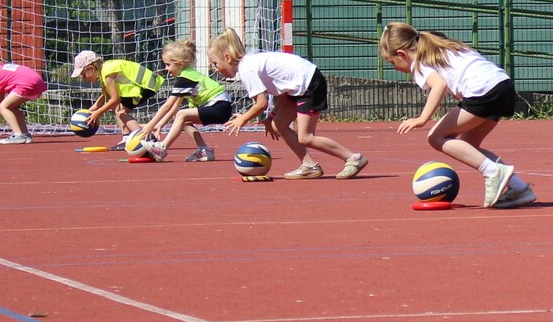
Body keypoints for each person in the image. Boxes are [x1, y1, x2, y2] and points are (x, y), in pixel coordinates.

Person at [379, 24, 535, 207]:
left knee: (436, 137)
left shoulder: (420, 63)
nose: (395, 68)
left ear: (402, 54)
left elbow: (439, 85)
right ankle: (518, 188)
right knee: (468, 148)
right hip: (503, 86)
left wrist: (422, 119)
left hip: (483, 91)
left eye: (392, 63)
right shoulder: (443, 46)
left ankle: (493, 172)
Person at [210, 30, 367, 181]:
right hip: (300, 84)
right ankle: (309, 165)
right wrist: (271, 117)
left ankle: (353, 158)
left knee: (306, 137)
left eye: (215, 64)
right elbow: (283, 92)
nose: (216, 69)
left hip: (309, 84)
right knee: (278, 124)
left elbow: (261, 104)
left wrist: (243, 119)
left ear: (227, 57)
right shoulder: (251, 63)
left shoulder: (247, 69)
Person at [142, 40, 237, 162]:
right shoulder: (188, 76)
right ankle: (204, 150)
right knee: (184, 121)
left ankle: (162, 148)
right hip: (221, 107)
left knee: (182, 115)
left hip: (220, 107)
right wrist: (160, 125)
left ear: (180, 64)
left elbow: (167, 105)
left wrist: (150, 125)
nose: (166, 68)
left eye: (168, 64)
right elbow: (174, 108)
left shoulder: (186, 78)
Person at [71, 49, 165, 149]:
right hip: (146, 82)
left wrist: (97, 113)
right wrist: (89, 112)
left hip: (146, 84)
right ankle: (127, 137)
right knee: (118, 109)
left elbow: (115, 99)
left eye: (83, 74)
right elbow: (104, 97)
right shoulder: (105, 69)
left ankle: (145, 138)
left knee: (121, 112)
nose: (84, 78)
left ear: (91, 68)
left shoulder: (107, 74)